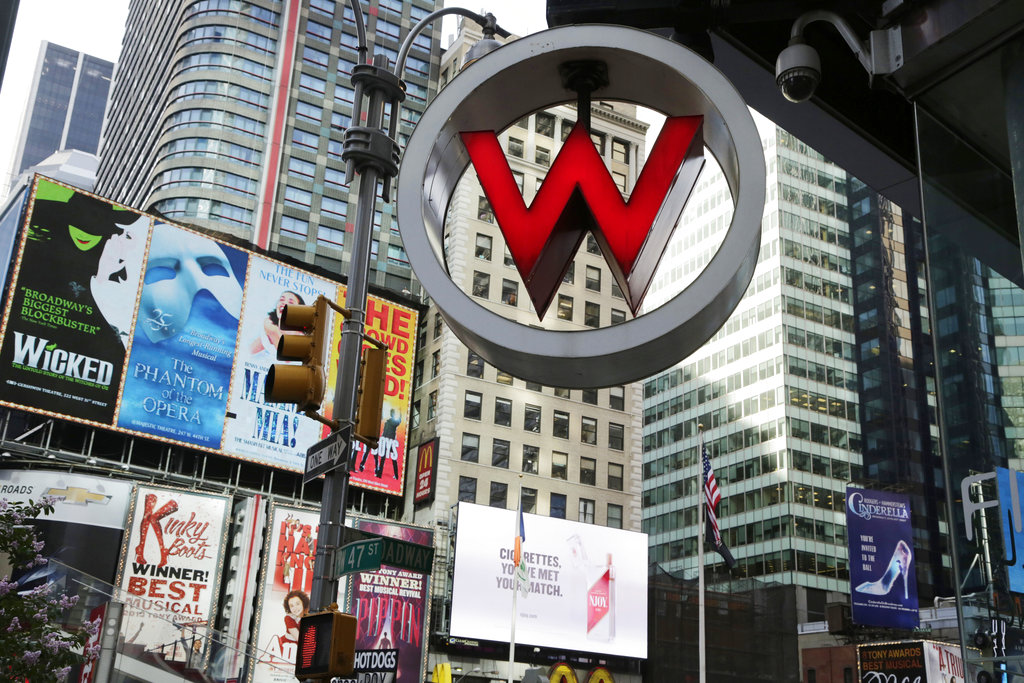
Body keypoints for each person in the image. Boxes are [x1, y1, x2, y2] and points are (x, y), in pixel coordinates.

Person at [250, 290, 306, 358]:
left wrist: (272, 330)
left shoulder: (304, 340)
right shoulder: (268, 328)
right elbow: (248, 353)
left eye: (291, 302)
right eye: (282, 299)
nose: (284, 303)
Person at [376, 409, 402, 479]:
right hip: (391, 442)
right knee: (393, 459)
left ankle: (379, 474)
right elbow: (399, 421)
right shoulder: (393, 422)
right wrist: (400, 414)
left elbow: (384, 432)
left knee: (383, 458)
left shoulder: (388, 422)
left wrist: (382, 440)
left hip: (386, 441)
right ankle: (396, 475)